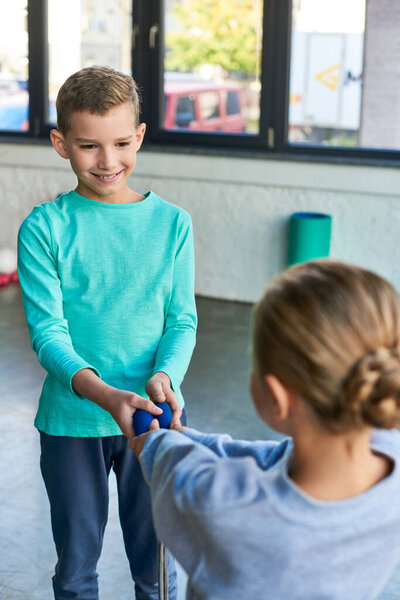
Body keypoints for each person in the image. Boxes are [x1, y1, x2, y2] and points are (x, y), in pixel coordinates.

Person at [17, 65, 197, 600]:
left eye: (121, 143)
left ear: (139, 136)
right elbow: (48, 334)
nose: (108, 160)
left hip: (156, 416)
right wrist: (104, 394)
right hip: (72, 423)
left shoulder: (173, 225)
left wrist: (164, 376)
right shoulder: (44, 227)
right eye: (89, 146)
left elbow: (180, 320)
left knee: (158, 569)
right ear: (60, 144)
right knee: (75, 570)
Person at [131, 260, 400, 600]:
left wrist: (156, 444)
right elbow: (275, 459)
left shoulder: (224, 507)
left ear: (277, 396)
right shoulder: (390, 456)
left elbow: (182, 475)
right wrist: (191, 438)